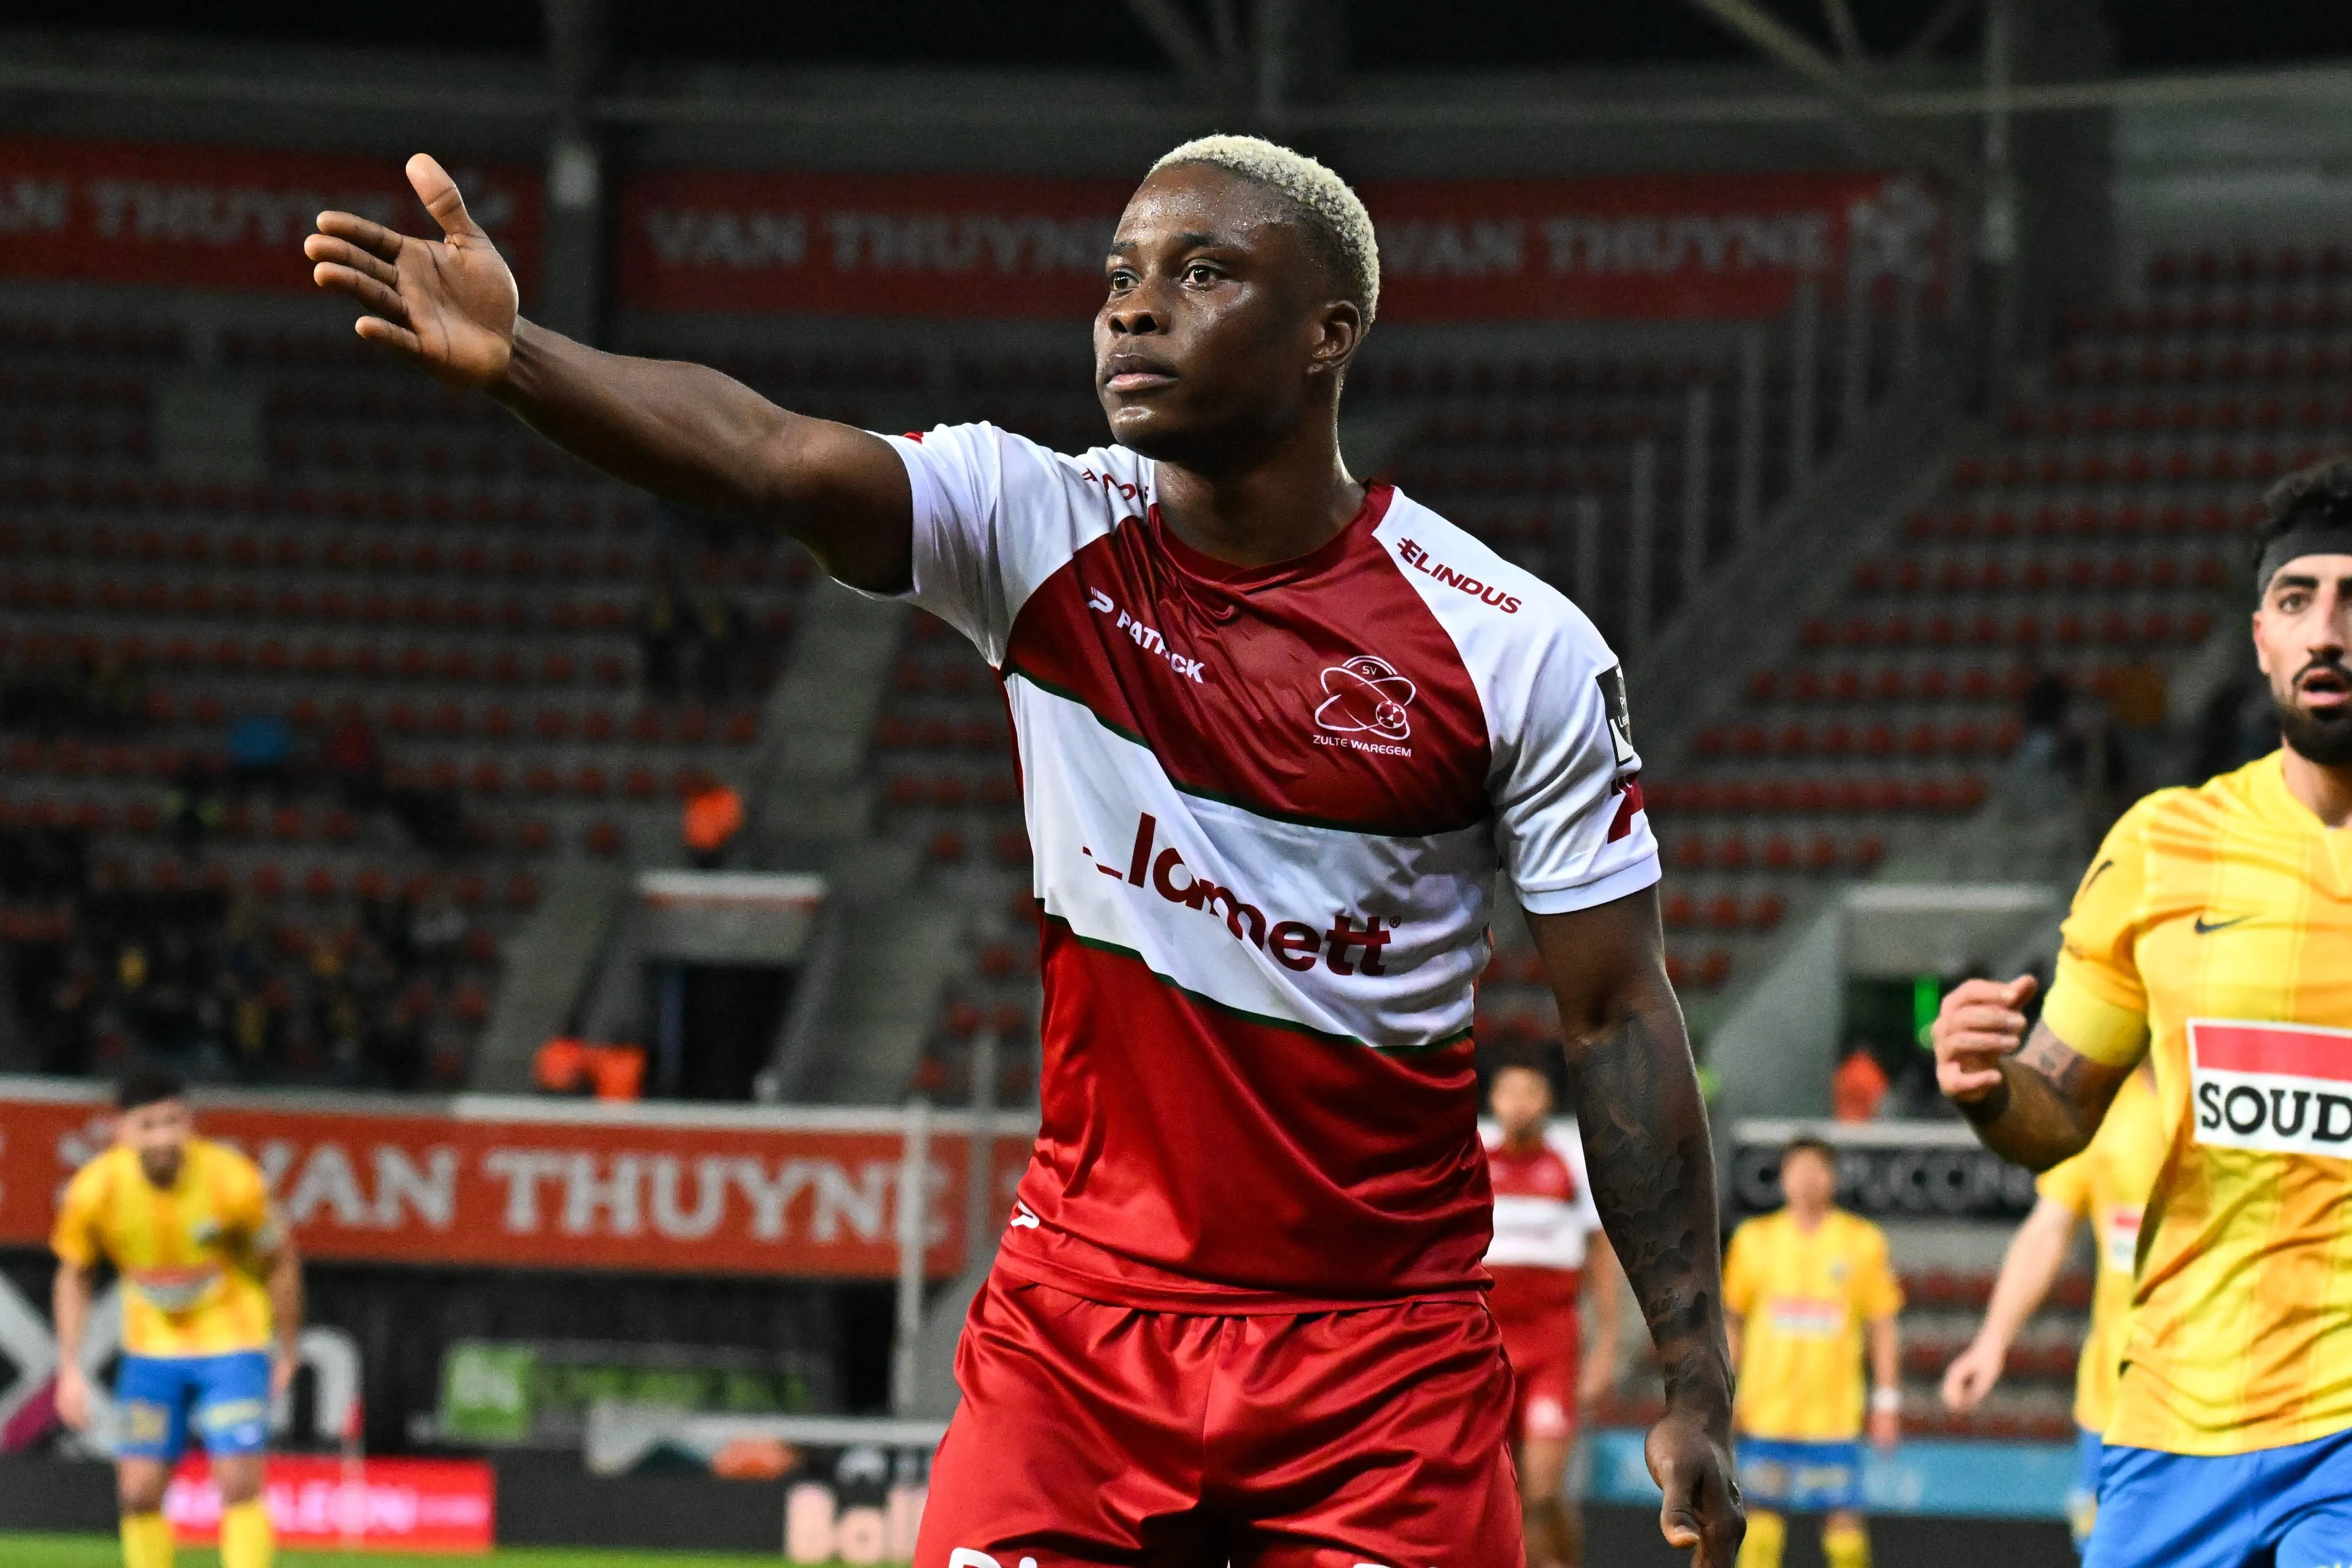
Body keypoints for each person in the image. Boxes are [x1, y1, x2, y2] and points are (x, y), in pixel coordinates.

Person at [305, 135, 1743, 1566]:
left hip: (1377, 1358)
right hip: (1078, 1331)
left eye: (1202, 272)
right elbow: (775, 460)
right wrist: (523, 362)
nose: (1132, 305)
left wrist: (1693, 1376)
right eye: (1118, 273)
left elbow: (1614, 1010)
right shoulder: (1037, 523)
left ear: (1327, 333)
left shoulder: (1512, 648)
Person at [1931, 456, 2352, 1568]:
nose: (2326, 629)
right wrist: (1985, 1089)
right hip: (2174, 1413)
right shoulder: (2163, 844)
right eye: (2294, 599)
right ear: (2257, 636)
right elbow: (2057, 1110)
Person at [51, 1065, 302, 1568]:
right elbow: (74, 1276)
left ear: (191, 1123)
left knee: (237, 1480)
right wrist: (71, 1368)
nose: (165, 1136)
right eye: (150, 1124)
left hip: (232, 1342)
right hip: (151, 1352)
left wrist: (289, 1346)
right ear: (122, 1131)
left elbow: (281, 1262)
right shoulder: (94, 1191)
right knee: (139, 1490)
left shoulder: (234, 1180)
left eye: (174, 1121)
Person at [1941, 1061, 2162, 1553]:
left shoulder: (2243, 1095)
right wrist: (1992, 1341)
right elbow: (2049, 1228)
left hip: (2231, 1402)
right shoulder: (2101, 1108)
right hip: (2115, 1401)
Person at [1721, 1136, 1903, 1568]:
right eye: (1796, 1170)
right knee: (1761, 1528)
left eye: (1816, 1169)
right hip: (1767, 1409)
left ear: (1832, 1178)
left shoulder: (1862, 1242)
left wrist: (1887, 1401)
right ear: (1782, 1179)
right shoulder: (1753, 1240)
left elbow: (1882, 1325)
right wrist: (1727, 1394)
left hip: (1834, 1413)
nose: (1806, 1180)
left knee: (1844, 1532)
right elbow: (1733, 1322)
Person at [1483, 1061, 1623, 1568]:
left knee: (1542, 1492)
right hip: (1483, 1346)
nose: (1519, 1102)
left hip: (1551, 1344)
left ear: (1548, 1100)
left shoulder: (1573, 1159)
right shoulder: (1471, 1154)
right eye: (1509, 1090)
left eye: (1531, 1090)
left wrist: (1607, 1345)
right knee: (1489, 1492)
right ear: (1493, 1099)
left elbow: (1601, 1256)